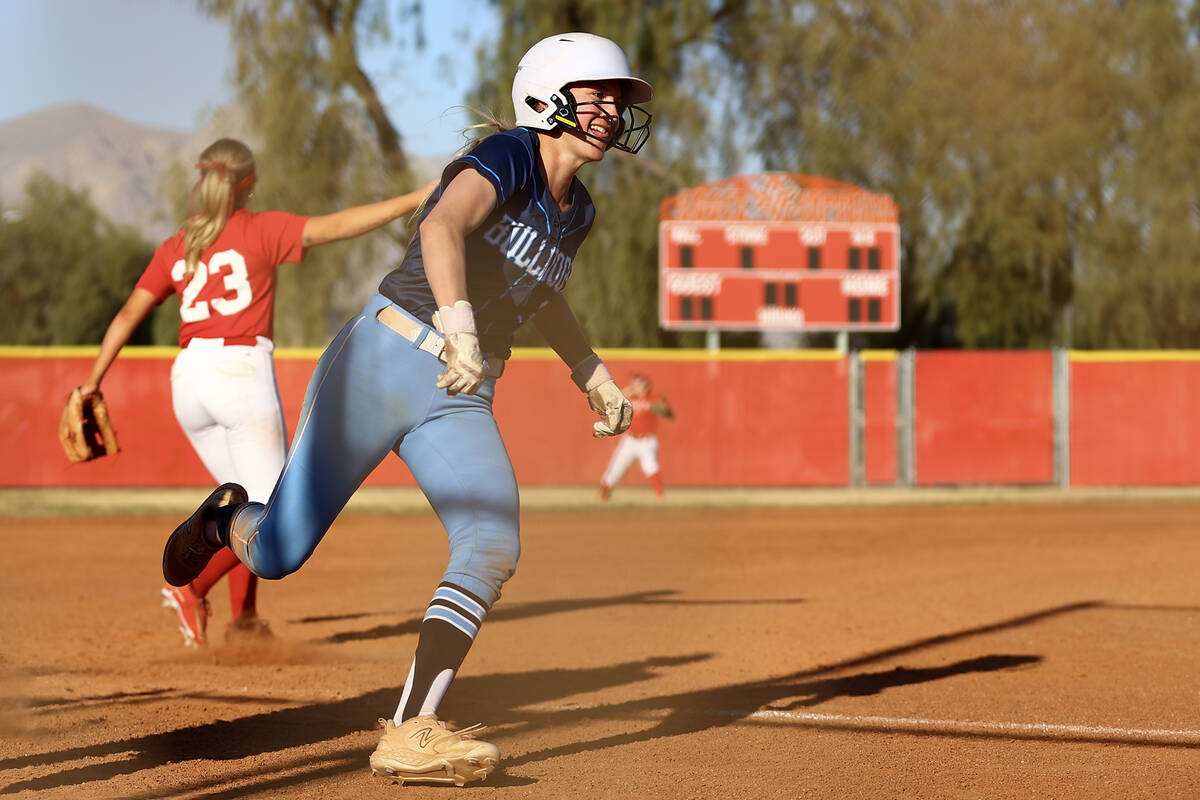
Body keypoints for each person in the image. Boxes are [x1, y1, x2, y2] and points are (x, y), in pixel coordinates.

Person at [160, 31, 652, 785]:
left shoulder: (577, 210)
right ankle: (224, 520)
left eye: (621, 98)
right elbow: (439, 226)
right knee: (280, 553)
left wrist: (593, 373)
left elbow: (542, 294)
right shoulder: (511, 154)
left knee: (492, 544)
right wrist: (457, 321)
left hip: (461, 391)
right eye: (603, 92)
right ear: (549, 94)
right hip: (384, 359)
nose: (615, 110)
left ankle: (411, 728)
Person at [77, 137, 435, 648]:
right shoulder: (260, 229)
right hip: (239, 374)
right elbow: (335, 226)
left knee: (238, 498)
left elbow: (129, 313)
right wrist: (413, 198)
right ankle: (191, 588)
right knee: (269, 514)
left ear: (204, 180)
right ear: (248, 184)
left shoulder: (178, 244)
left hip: (188, 382)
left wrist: (91, 382)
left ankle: (243, 620)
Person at [599, 372, 673, 500]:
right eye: (634, 384)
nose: (636, 386)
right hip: (630, 440)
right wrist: (630, 390)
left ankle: (661, 497)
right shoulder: (630, 398)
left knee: (650, 467)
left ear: (646, 384)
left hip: (647, 441)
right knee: (615, 470)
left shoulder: (654, 398)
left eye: (639, 383)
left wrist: (655, 406)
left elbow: (667, 414)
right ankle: (603, 497)